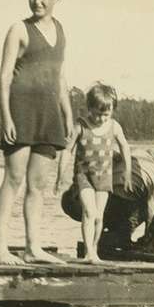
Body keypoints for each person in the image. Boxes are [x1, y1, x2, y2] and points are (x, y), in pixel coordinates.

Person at [0, 0, 74, 265]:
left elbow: (61, 78)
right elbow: (3, 78)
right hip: (22, 111)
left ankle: (32, 247)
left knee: (37, 185)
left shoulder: (62, 31)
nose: (36, 1)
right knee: (13, 179)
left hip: (48, 115)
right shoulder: (19, 29)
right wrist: (7, 119)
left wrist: (69, 117)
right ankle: (0, 247)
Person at [56, 83, 131, 263]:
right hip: (84, 176)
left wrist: (127, 172)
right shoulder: (81, 126)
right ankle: (89, 252)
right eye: (98, 113)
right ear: (89, 108)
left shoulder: (114, 127)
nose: (101, 118)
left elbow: (125, 147)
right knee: (89, 212)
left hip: (104, 177)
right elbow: (67, 150)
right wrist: (60, 175)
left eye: (106, 114)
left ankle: (94, 249)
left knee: (98, 216)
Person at [97, 144, 154, 255]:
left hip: (101, 198)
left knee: (132, 195)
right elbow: (153, 212)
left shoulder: (136, 151)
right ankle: (119, 237)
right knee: (145, 204)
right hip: (120, 204)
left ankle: (104, 234)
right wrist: (149, 239)